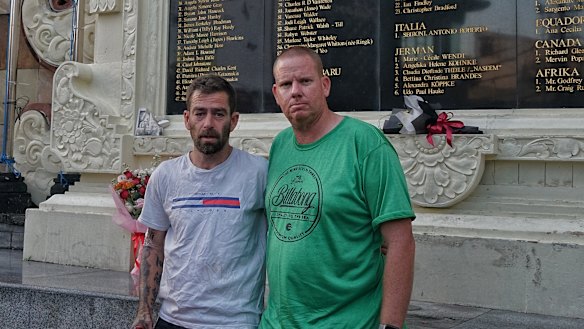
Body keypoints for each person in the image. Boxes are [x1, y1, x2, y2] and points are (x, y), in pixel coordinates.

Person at [259, 46, 416, 329]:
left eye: (305, 81)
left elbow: (400, 242)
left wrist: (390, 326)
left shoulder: (365, 144)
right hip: (278, 322)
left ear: (325, 85)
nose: (295, 91)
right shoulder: (280, 145)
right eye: (286, 84)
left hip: (349, 322)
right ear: (276, 94)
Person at [131, 75, 268, 329]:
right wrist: (144, 309)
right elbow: (153, 245)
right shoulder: (165, 175)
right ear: (186, 119)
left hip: (236, 322)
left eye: (218, 114)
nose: (208, 123)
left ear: (233, 120)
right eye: (200, 113)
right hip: (174, 319)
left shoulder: (258, 173)